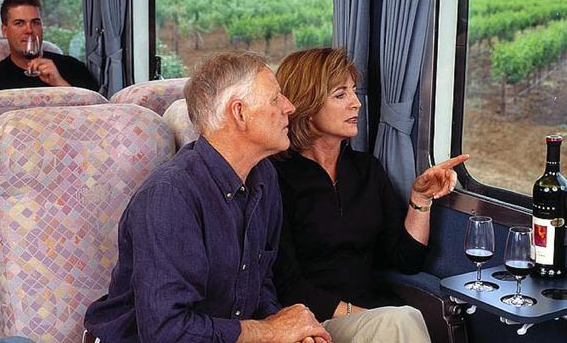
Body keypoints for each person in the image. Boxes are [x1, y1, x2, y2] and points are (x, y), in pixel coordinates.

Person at [84, 52, 331, 343]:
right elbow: (166, 331)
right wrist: (272, 332)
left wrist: (291, 333)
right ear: (239, 112)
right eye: (276, 99)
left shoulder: (264, 176)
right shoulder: (170, 197)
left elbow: (260, 284)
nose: (289, 108)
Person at [271, 48, 469, 342]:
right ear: (306, 106)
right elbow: (285, 283)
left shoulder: (366, 169)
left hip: (376, 313)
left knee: (401, 317)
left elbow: (406, 260)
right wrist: (360, 312)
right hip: (313, 322)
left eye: (354, 91)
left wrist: (421, 198)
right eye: (340, 95)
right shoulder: (276, 178)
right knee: (399, 319)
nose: (356, 103)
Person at [0, 0, 98, 95]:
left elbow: (96, 115)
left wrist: (59, 83)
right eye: (19, 23)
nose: (29, 30)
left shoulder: (75, 68)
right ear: (5, 31)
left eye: (35, 22)